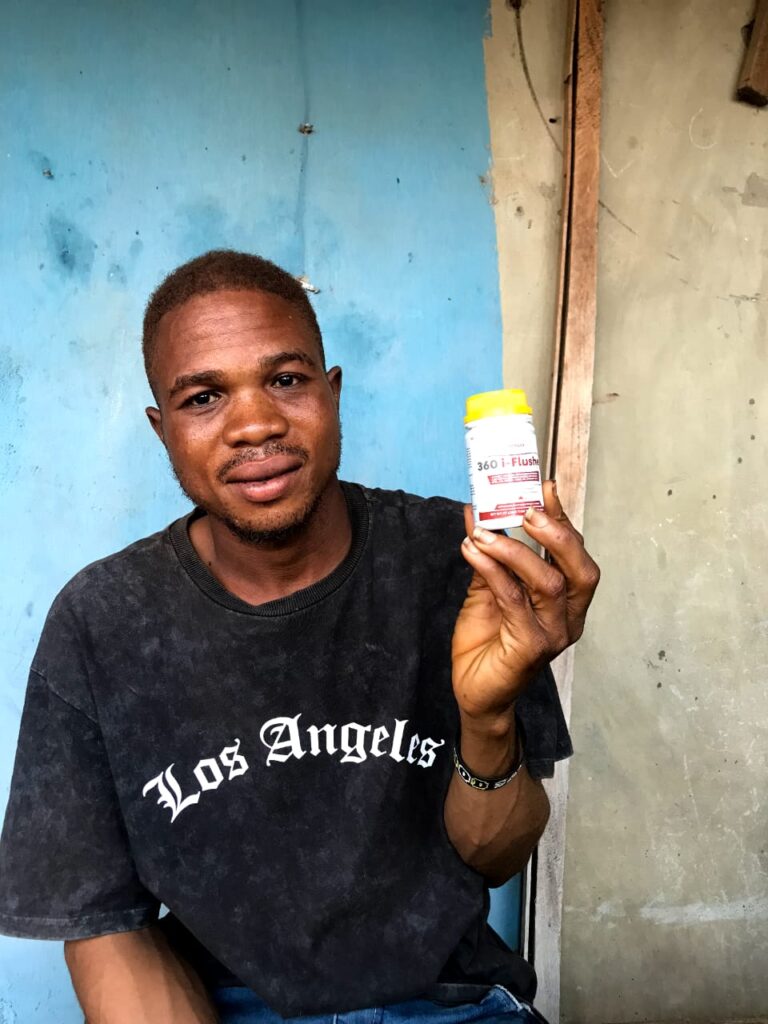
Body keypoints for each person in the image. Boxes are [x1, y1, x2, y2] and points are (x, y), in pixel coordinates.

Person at [0, 250, 599, 1024]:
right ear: (162, 429)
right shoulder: (102, 620)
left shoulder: (463, 565)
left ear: (332, 392)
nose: (255, 424)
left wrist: (487, 719)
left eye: (285, 380)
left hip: (450, 1004)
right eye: (204, 397)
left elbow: (496, 857)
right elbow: (105, 925)